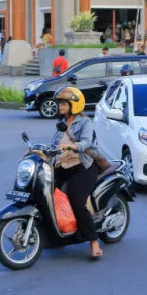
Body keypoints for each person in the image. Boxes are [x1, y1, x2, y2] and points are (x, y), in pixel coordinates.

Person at [49, 87, 105, 259]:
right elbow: (53, 145)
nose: (60, 106)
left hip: (83, 166)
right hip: (64, 165)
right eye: (59, 103)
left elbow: (87, 142)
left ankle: (94, 241)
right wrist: (38, 152)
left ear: (74, 104)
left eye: (64, 103)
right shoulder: (62, 123)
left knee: (76, 201)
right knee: (45, 191)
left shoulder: (85, 122)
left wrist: (72, 145)